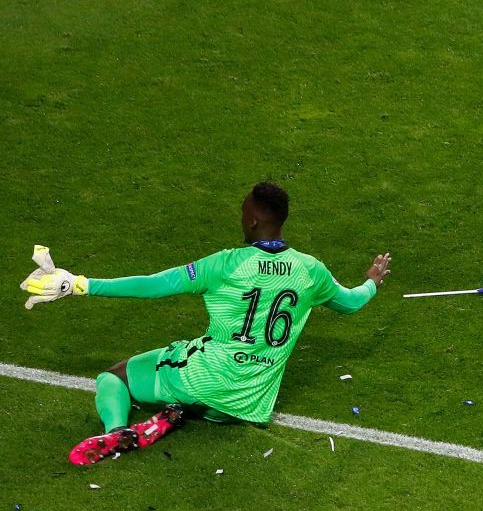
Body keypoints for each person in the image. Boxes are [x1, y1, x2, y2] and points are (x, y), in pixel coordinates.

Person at [19, 183, 391, 464]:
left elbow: (156, 284)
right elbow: (351, 302)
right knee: (193, 375)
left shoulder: (226, 264)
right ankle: (178, 413)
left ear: (252, 219)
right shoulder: (311, 271)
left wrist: (81, 284)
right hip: (249, 402)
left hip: (205, 378)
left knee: (115, 377)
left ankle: (117, 433)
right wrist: (372, 281)